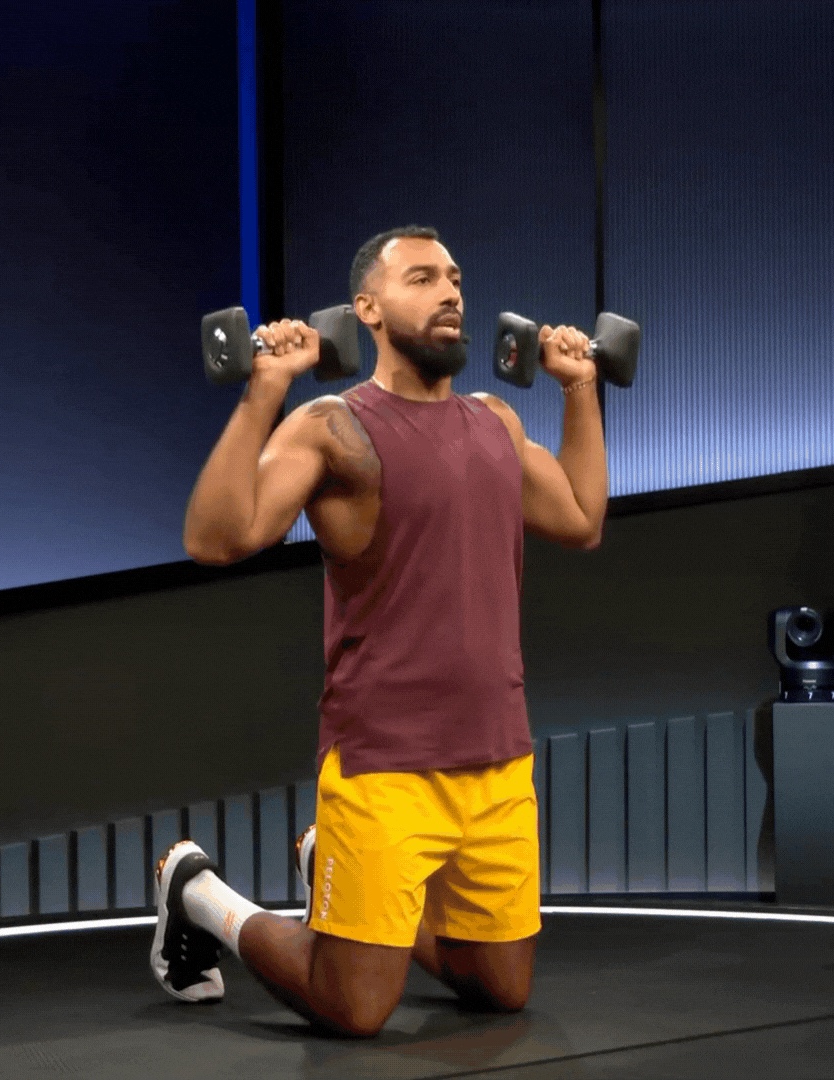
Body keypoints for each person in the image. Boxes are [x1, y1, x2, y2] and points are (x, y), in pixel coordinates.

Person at [158, 224, 607, 1036]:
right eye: (424, 278)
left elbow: (580, 517)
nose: (452, 294)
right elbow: (214, 538)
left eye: (456, 279)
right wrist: (265, 390)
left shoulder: (496, 422)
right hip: (385, 763)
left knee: (502, 989)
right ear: (365, 307)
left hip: (498, 757)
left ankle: (326, 873)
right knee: (358, 1008)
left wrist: (579, 389)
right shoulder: (334, 427)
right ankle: (199, 895)